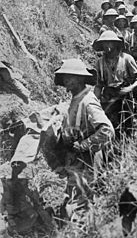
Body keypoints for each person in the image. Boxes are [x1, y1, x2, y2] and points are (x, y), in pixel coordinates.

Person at [9, 59, 114, 222]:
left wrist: (83, 145)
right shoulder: (76, 99)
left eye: (70, 77)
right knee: (74, 201)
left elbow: (106, 130)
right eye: (64, 77)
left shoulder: (88, 100)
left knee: (81, 205)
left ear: (80, 79)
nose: (66, 80)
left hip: (88, 159)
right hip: (75, 158)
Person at [92, 31, 137, 138]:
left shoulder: (127, 59)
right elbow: (98, 85)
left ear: (116, 44)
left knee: (128, 124)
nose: (107, 46)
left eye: (109, 43)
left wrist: (129, 88)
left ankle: (129, 145)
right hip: (109, 96)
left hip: (125, 96)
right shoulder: (99, 62)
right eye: (104, 44)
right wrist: (95, 102)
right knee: (109, 126)